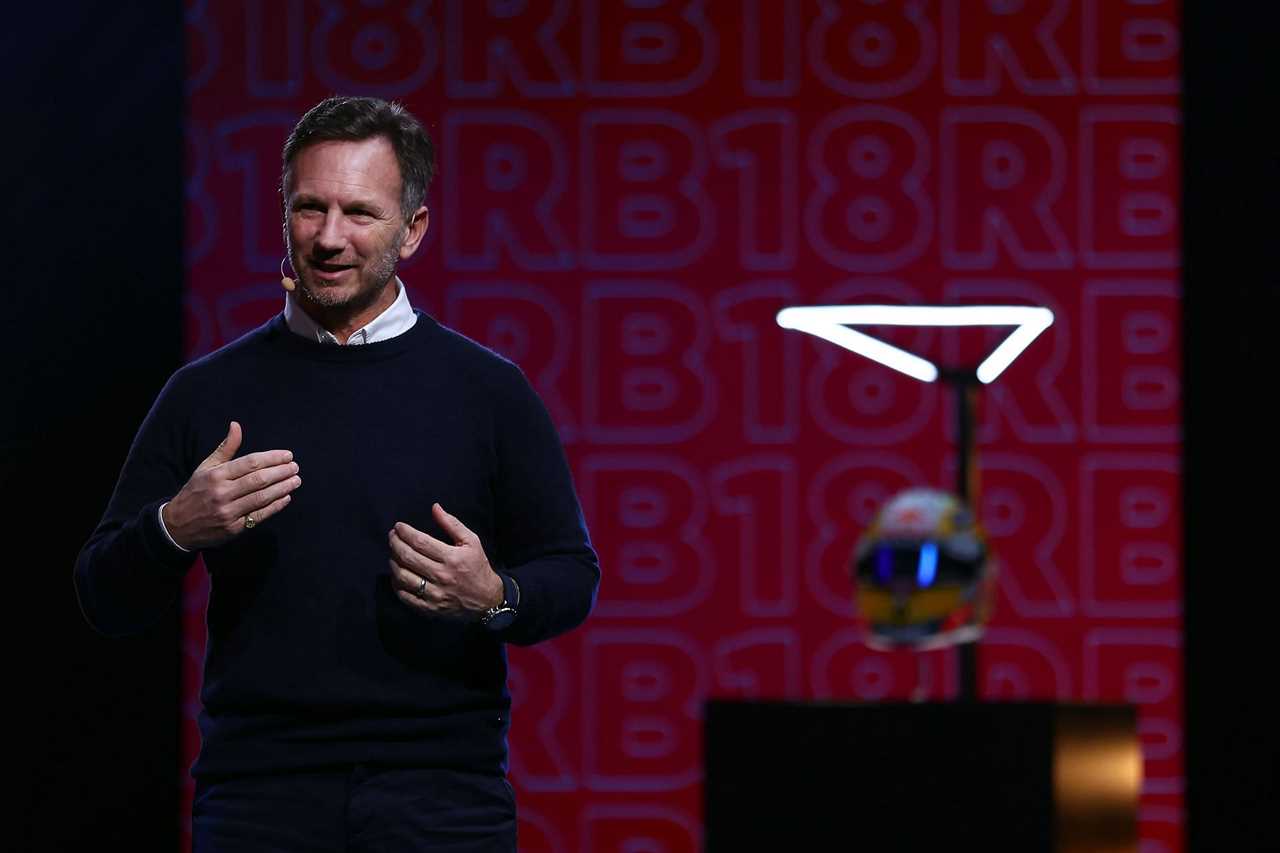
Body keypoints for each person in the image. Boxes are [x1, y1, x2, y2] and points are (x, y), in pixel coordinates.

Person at [73, 95, 600, 851]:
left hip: (444, 798)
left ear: (412, 229)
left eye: (360, 213)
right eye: (308, 208)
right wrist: (172, 528)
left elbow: (572, 574)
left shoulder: (488, 391)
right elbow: (104, 596)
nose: (327, 238)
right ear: (283, 213)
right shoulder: (206, 392)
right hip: (258, 796)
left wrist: (495, 596)